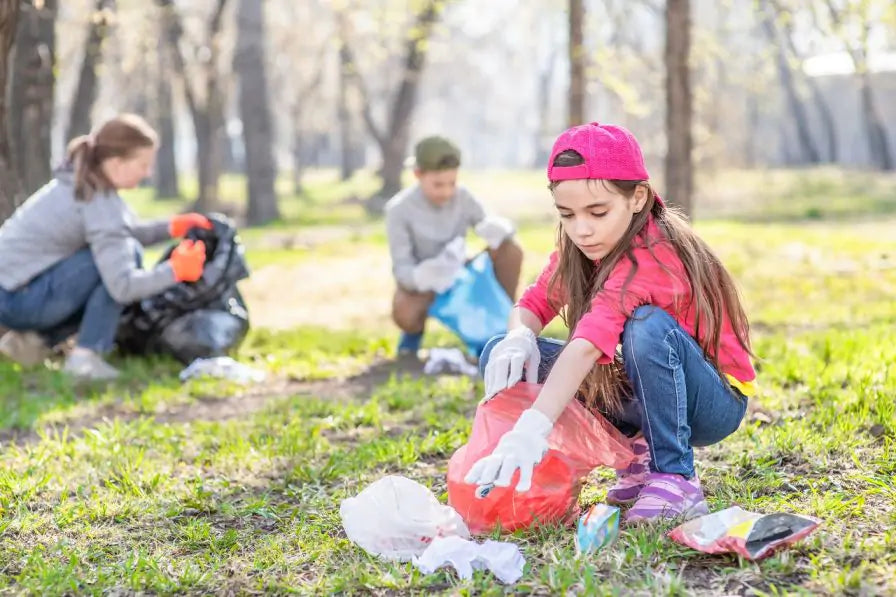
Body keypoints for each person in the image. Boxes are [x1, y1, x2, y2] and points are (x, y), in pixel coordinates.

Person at [464, 122, 756, 523]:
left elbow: (586, 344)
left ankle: (676, 476)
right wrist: (519, 337)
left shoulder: (652, 254)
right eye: (567, 214)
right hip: (648, 391)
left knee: (647, 327)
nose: (582, 229)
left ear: (637, 198)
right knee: (502, 353)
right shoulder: (582, 247)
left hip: (711, 401)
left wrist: (531, 427)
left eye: (597, 211)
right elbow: (532, 303)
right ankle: (636, 452)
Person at [0, 114, 211, 380]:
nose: (148, 173)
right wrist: (176, 271)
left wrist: (171, 227)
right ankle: (85, 360)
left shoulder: (84, 181)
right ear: (116, 162)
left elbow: (121, 231)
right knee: (121, 259)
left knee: (118, 252)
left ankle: (28, 344)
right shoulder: (95, 201)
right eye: (143, 164)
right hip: (17, 300)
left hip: (12, 293)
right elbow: (122, 287)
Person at [385, 135, 523, 356]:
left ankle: (501, 324)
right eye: (438, 184)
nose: (447, 192)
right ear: (418, 174)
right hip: (426, 282)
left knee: (511, 250)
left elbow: (488, 222)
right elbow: (402, 269)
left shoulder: (462, 197)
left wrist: (496, 229)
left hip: (460, 272)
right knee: (405, 312)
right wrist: (424, 276)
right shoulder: (399, 210)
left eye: (452, 183)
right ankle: (413, 334)